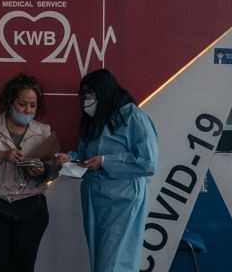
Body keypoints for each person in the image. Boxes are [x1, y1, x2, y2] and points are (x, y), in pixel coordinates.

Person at [55, 69, 158, 272]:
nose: (86, 100)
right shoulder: (94, 119)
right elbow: (85, 156)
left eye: (90, 94)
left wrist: (105, 161)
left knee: (115, 261)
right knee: (99, 260)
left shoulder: (133, 117)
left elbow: (148, 162)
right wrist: (71, 159)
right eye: (84, 96)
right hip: (95, 196)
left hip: (123, 199)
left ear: (104, 92)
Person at [0, 73, 54, 272]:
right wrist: (2, 156)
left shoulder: (43, 131)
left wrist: (42, 170)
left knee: (24, 266)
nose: (28, 110)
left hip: (31, 206)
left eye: (33, 105)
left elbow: (52, 167)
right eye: (22, 104)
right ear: (10, 101)